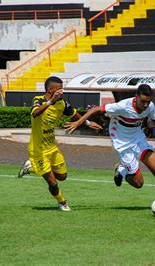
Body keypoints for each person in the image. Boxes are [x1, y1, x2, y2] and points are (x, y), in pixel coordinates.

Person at [64, 84, 155, 202]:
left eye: (148, 102)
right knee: (138, 183)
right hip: (122, 143)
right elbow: (95, 109)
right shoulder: (123, 106)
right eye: (143, 102)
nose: (145, 105)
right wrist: (78, 123)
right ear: (136, 97)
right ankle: (121, 170)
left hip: (138, 139)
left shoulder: (150, 106)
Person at [17, 76, 102, 211]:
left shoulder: (62, 103)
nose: (61, 91)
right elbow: (35, 113)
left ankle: (31, 167)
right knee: (52, 182)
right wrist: (51, 101)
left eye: (62, 88)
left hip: (52, 147)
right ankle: (62, 202)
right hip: (38, 150)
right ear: (50, 89)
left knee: (62, 176)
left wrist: (87, 123)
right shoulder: (38, 100)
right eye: (59, 89)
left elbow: (73, 113)